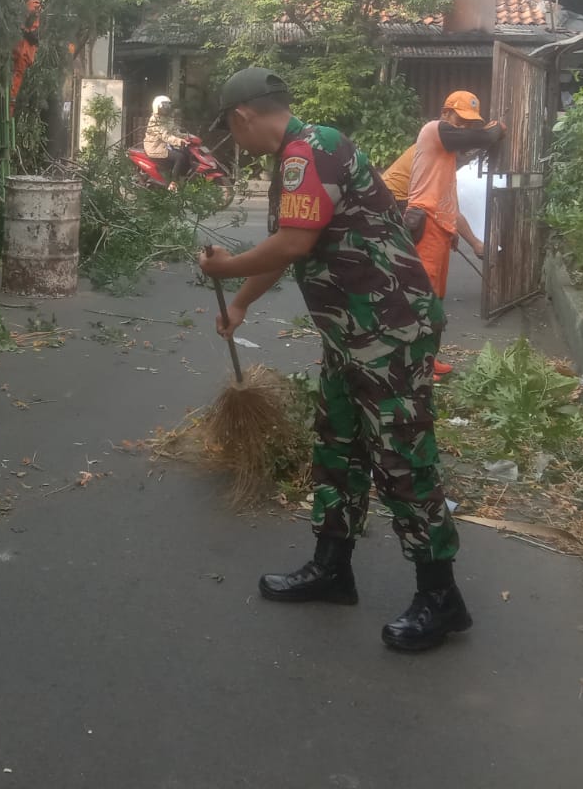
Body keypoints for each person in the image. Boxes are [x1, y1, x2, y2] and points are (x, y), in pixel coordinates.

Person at [197, 68, 469, 653]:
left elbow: (292, 244)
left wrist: (223, 270)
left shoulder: (311, 151)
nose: (233, 139)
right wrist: (240, 302)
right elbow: (292, 243)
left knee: (401, 455)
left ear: (241, 117)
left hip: (389, 333)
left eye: (229, 128)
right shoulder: (299, 157)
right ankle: (332, 567)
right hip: (353, 334)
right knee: (338, 445)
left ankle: (441, 596)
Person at [406, 91, 505, 374]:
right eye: (460, 120)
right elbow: (482, 139)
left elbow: (451, 204)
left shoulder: (446, 158)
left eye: (469, 123)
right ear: (445, 113)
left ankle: (428, 360)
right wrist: (496, 130)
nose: (463, 128)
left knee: (434, 299)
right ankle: (415, 367)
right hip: (425, 225)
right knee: (422, 300)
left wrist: (465, 236)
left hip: (439, 229)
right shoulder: (433, 130)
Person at [142, 94, 195, 189]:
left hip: (165, 146)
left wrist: (187, 136)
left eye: (168, 107)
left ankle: (181, 179)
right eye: (164, 107)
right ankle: (173, 183)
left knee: (187, 154)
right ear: (157, 107)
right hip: (155, 148)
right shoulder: (154, 121)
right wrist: (179, 141)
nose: (166, 109)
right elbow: (165, 136)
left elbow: (174, 132)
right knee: (180, 157)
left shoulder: (168, 119)